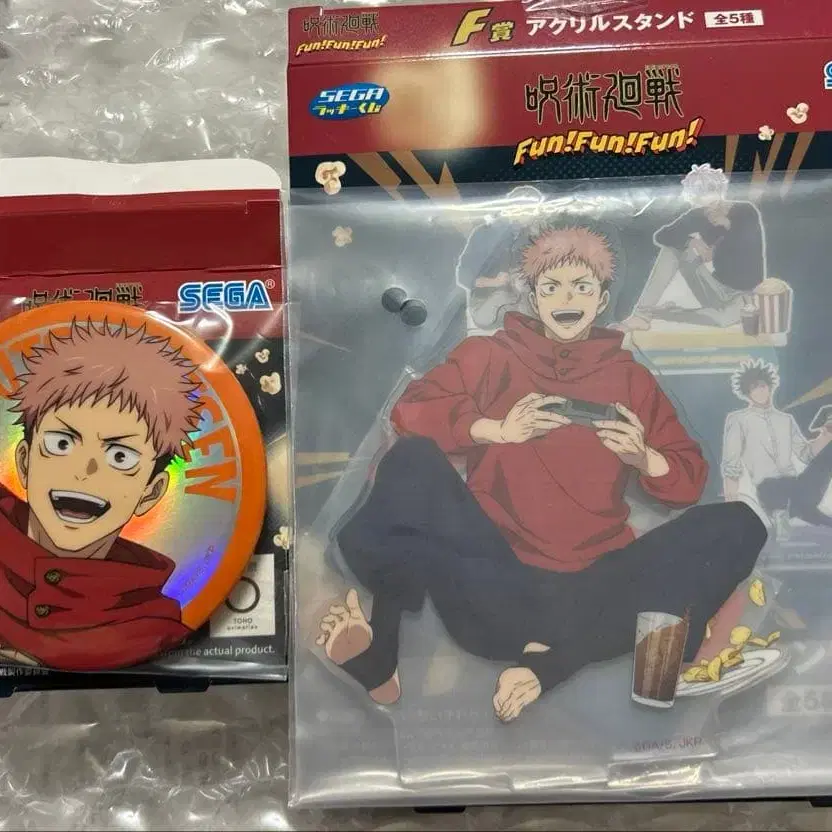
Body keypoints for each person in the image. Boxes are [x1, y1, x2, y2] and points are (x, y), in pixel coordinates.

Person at [319, 225, 768, 722]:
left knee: (741, 522)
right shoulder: (489, 355)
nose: (567, 299)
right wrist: (495, 430)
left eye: (582, 286)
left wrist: (644, 457)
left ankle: (553, 664)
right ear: (532, 297)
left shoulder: (631, 379)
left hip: (596, 601)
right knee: (411, 460)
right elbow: (411, 410)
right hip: (493, 588)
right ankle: (382, 653)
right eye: (551, 287)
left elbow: (689, 481)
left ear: (602, 299)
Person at [0, 319, 202, 669]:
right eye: (61, 443)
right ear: (25, 461)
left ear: (150, 492)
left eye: (120, 457)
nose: (85, 471)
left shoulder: (152, 629)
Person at [617, 164, 765, 331]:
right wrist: (690, 242)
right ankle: (641, 315)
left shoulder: (745, 210)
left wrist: (728, 225)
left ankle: (663, 313)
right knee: (673, 250)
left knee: (721, 320)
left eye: (713, 202)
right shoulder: (698, 214)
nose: (709, 210)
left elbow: (750, 249)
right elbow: (662, 235)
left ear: (720, 191)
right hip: (715, 289)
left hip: (744, 295)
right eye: (703, 205)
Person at [723, 360, 832, 536]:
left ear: (770, 386)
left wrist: (826, 436)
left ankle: (795, 512)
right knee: (788, 499)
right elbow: (731, 465)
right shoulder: (738, 420)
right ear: (747, 393)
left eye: (762, 386)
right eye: (754, 388)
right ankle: (788, 512)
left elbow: (805, 454)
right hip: (769, 488)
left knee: (826, 459)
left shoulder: (786, 420)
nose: (760, 391)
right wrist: (731, 508)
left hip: (796, 485)